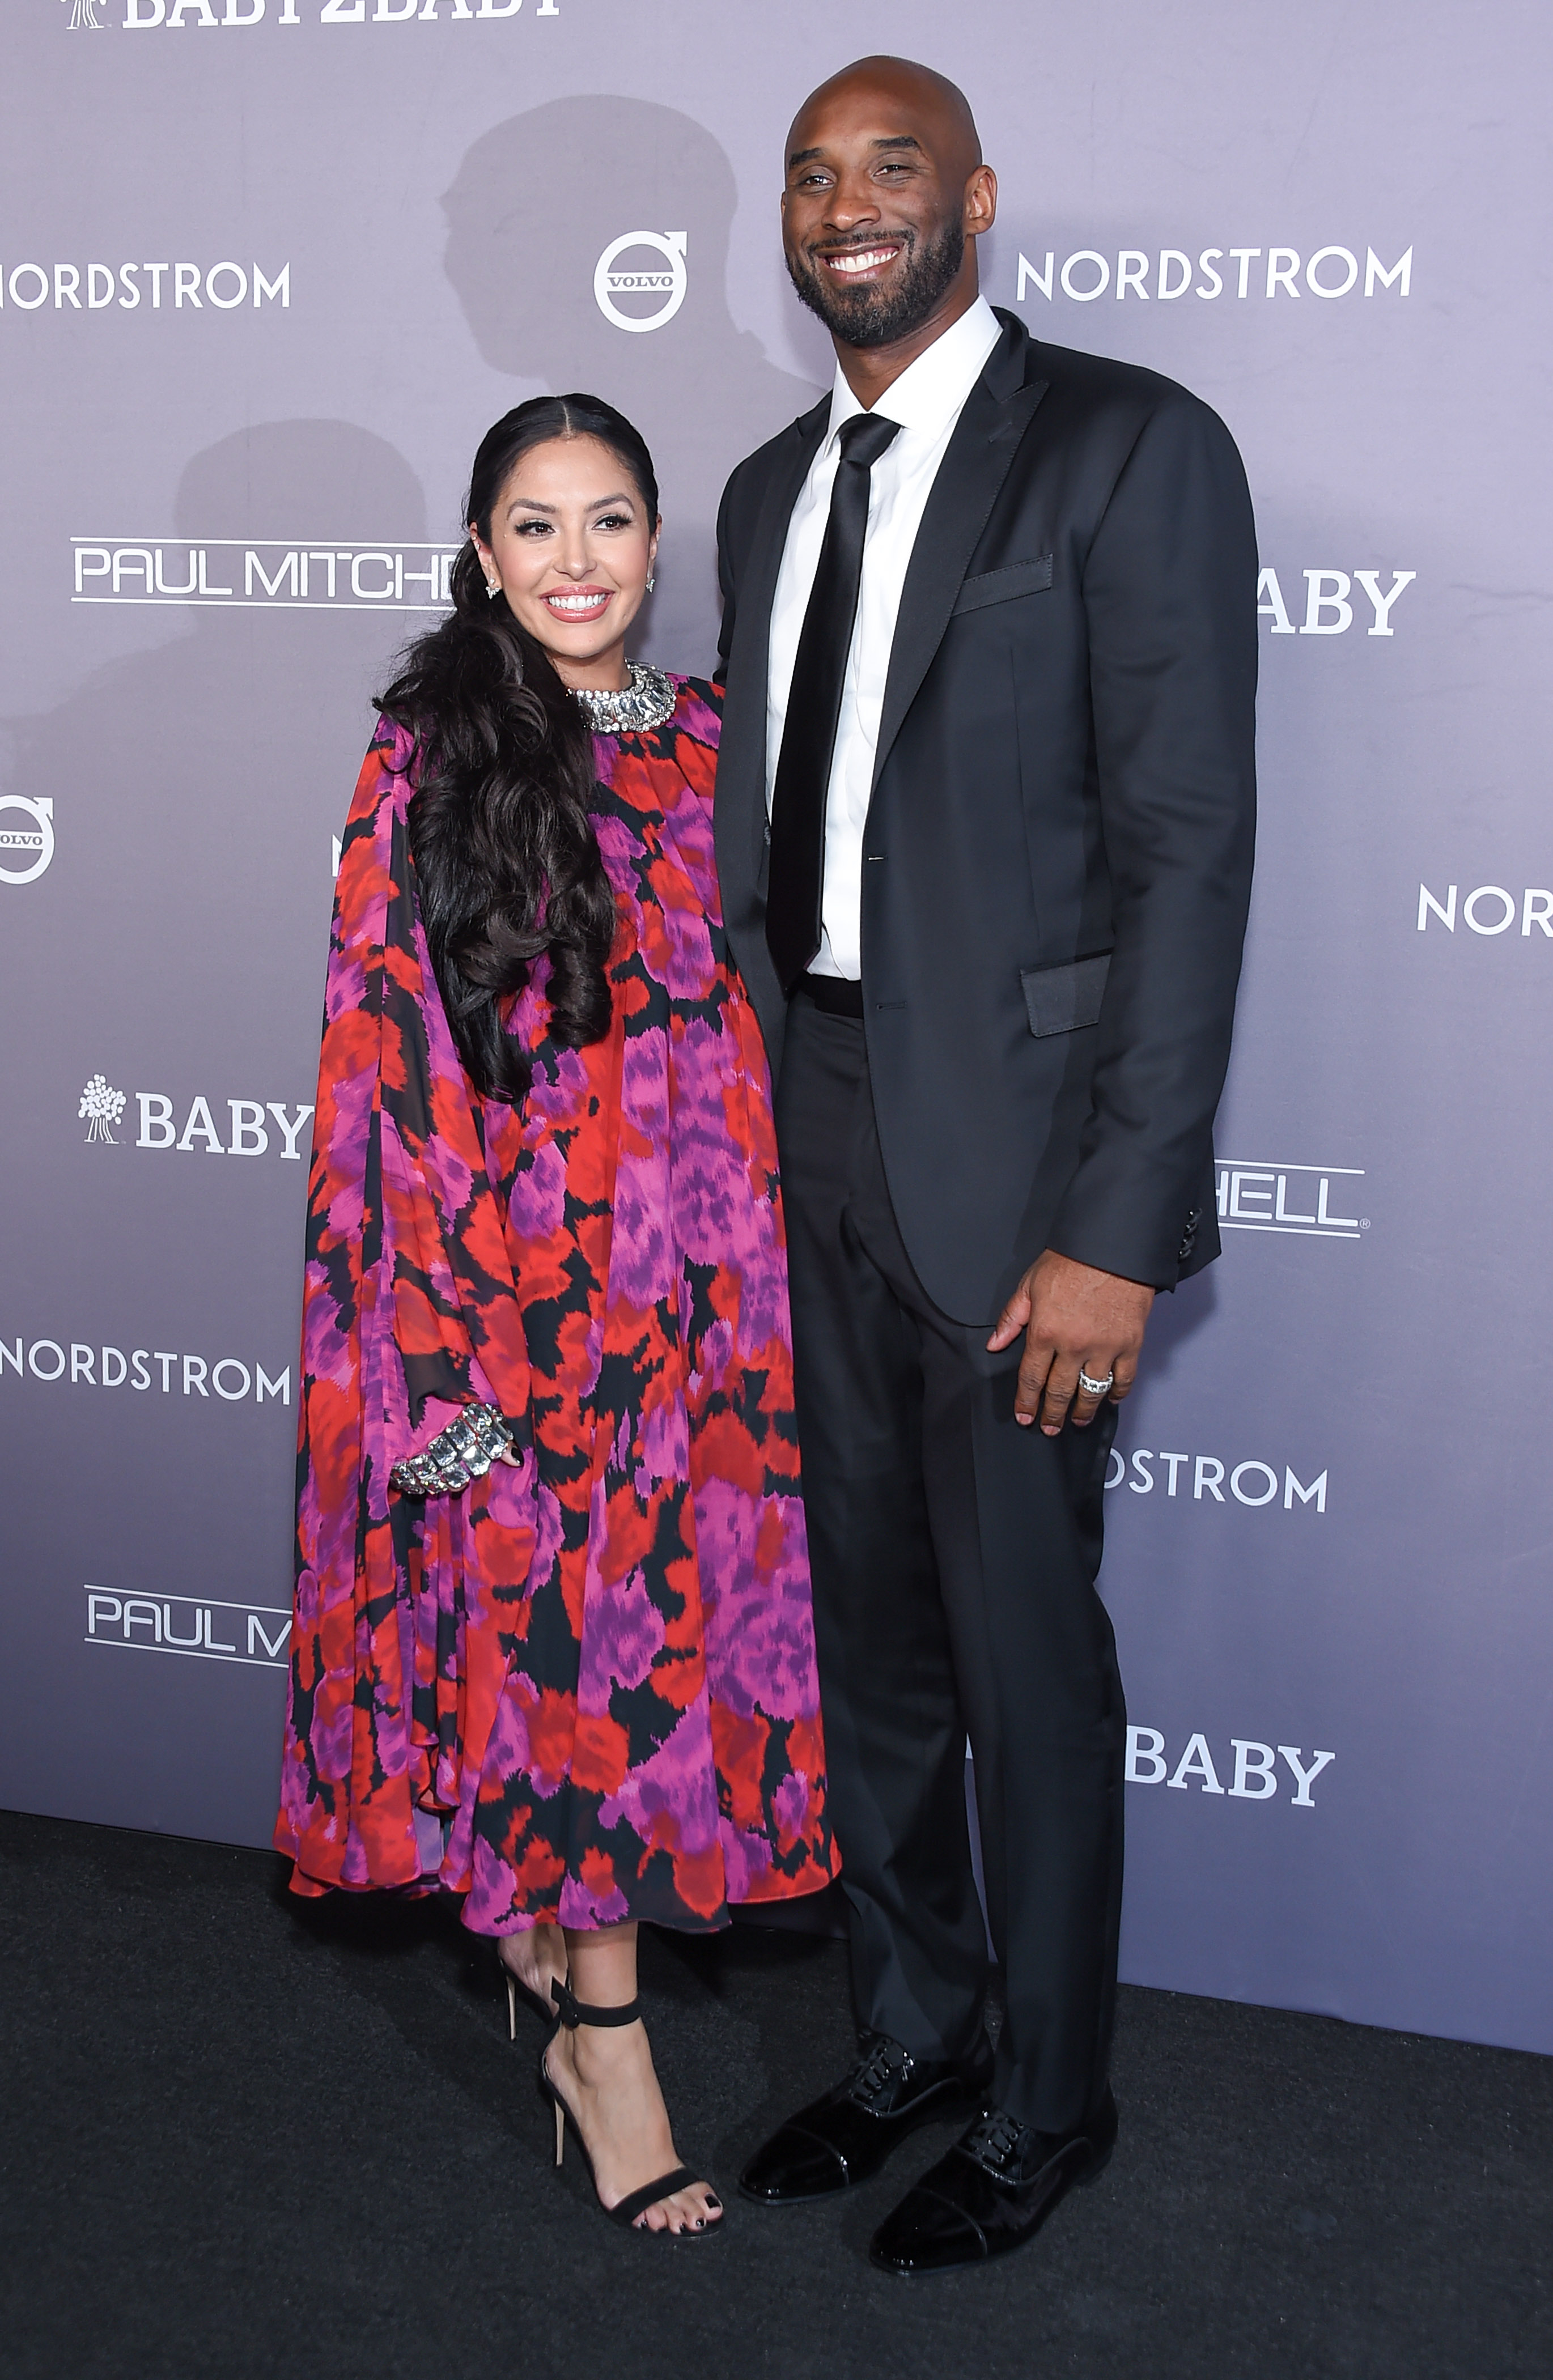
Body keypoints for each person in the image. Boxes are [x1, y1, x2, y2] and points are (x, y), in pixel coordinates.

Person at [715, 59, 1258, 2273]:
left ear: (979, 200)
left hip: (1027, 1178)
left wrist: (1115, 1231)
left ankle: (1050, 2102)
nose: (849, 210)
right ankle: (913, 2032)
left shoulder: (1127, 446)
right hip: (810, 1131)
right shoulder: (763, 491)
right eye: (814, 178)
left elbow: (1187, 854)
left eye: (893, 170)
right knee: (871, 1652)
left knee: (1027, 1662)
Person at [275, 394, 838, 2239]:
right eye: (535, 526)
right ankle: (605, 2050)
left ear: (658, 549)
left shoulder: (707, 740)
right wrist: (441, 1351)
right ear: (479, 550)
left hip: (708, 1287)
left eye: (609, 523)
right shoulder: (427, 750)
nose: (575, 563)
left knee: (647, 1657)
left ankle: (551, 1946)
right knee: (560, 1665)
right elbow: (388, 1062)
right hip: (519, 1289)